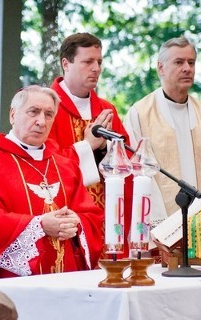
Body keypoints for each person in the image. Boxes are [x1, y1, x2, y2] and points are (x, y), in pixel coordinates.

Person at [0, 85, 104, 292]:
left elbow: (91, 215)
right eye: (33, 112)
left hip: (66, 282)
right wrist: (39, 225)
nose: (41, 121)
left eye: (49, 114)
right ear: (13, 115)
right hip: (9, 286)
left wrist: (76, 223)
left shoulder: (66, 166)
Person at [123, 35, 201, 245]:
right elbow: (139, 175)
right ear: (160, 68)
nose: (187, 68)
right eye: (179, 62)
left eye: (191, 62)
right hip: (161, 231)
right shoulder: (140, 113)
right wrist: (162, 229)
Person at [49, 32, 132, 257]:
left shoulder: (106, 110)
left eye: (99, 62)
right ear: (66, 64)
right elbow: (46, 166)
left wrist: (107, 149)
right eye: (88, 61)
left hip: (108, 215)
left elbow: (128, 165)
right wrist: (87, 146)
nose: (96, 68)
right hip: (68, 216)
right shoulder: (47, 108)